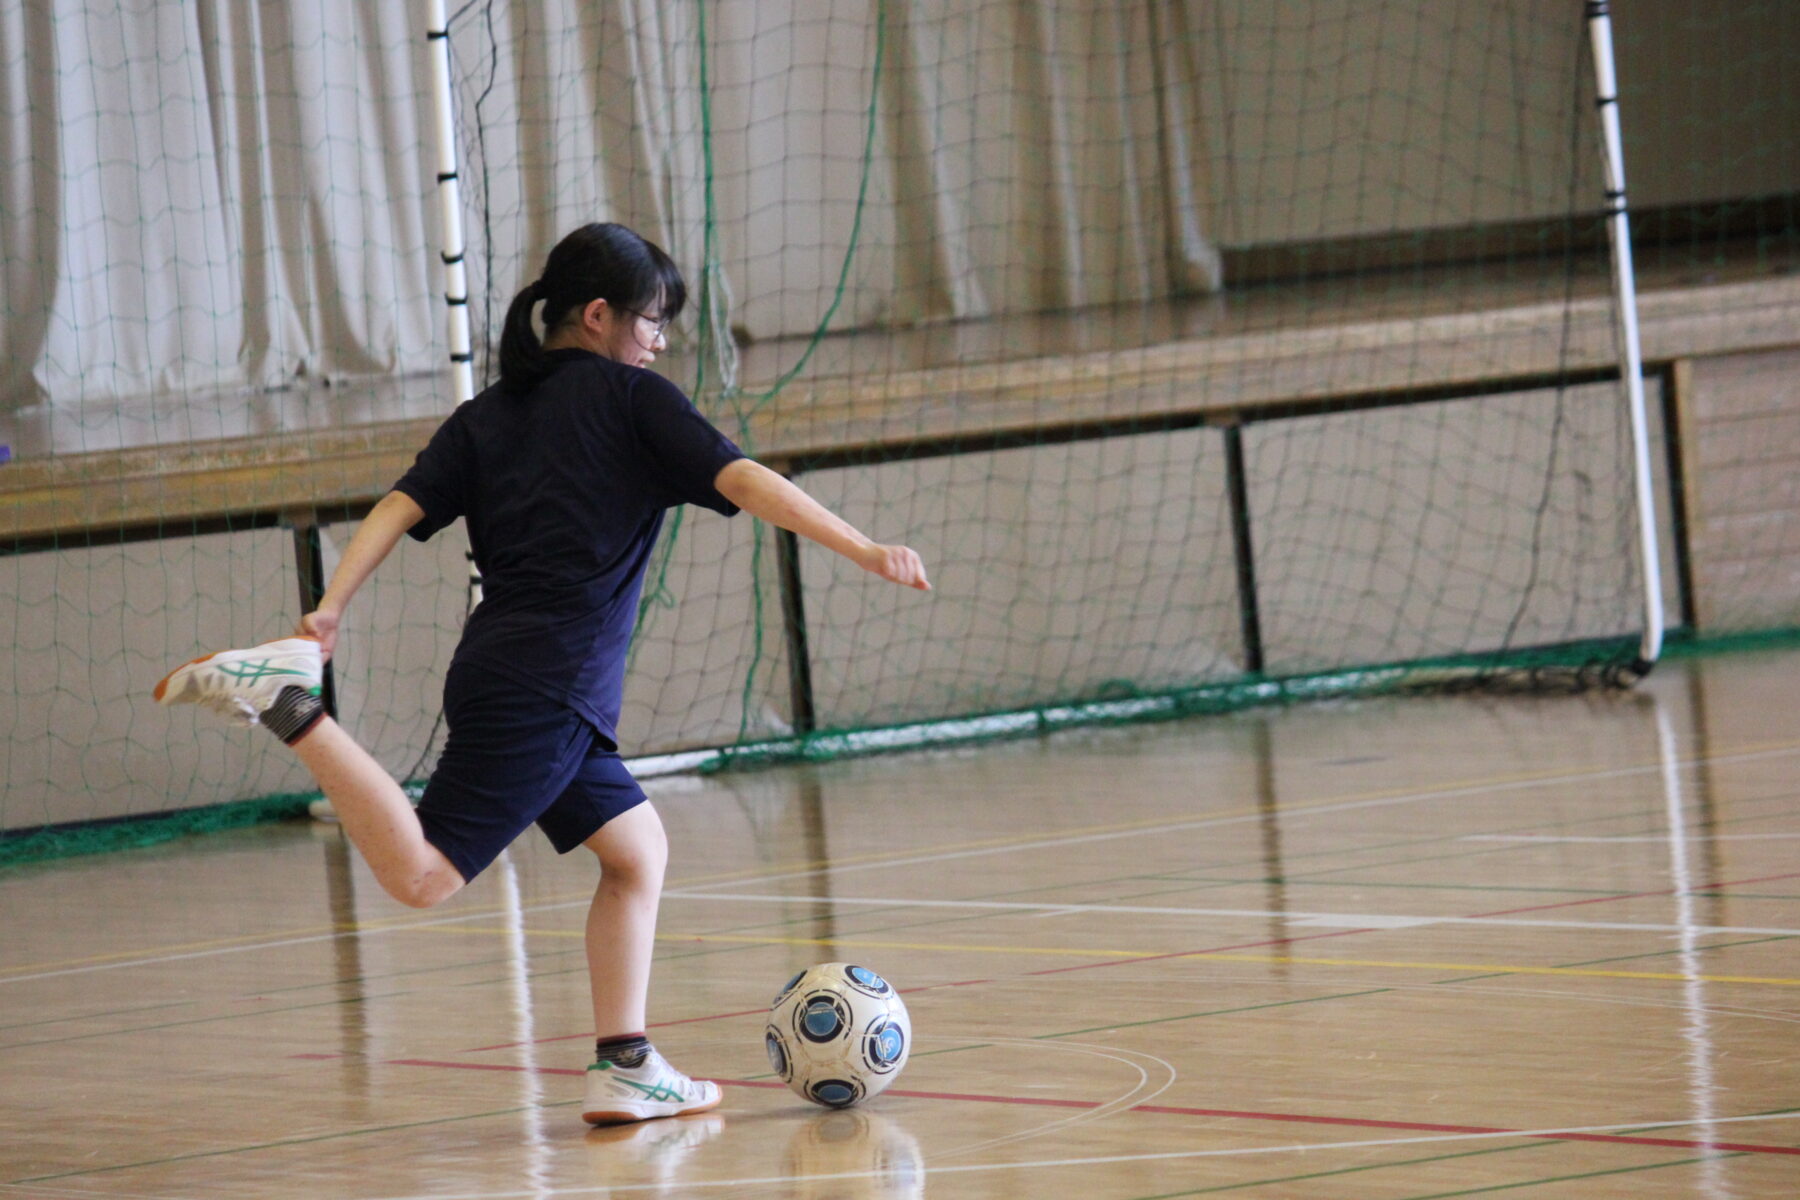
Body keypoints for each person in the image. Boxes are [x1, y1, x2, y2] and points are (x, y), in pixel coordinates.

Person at [154, 222, 930, 1126]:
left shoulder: (489, 413)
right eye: (651, 321)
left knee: (637, 854)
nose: (659, 340)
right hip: (549, 687)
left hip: (504, 673)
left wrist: (331, 607)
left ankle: (625, 1063)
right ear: (598, 316)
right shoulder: (635, 401)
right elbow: (746, 478)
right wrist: (865, 546)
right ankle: (291, 709)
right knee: (425, 875)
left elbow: (398, 509)